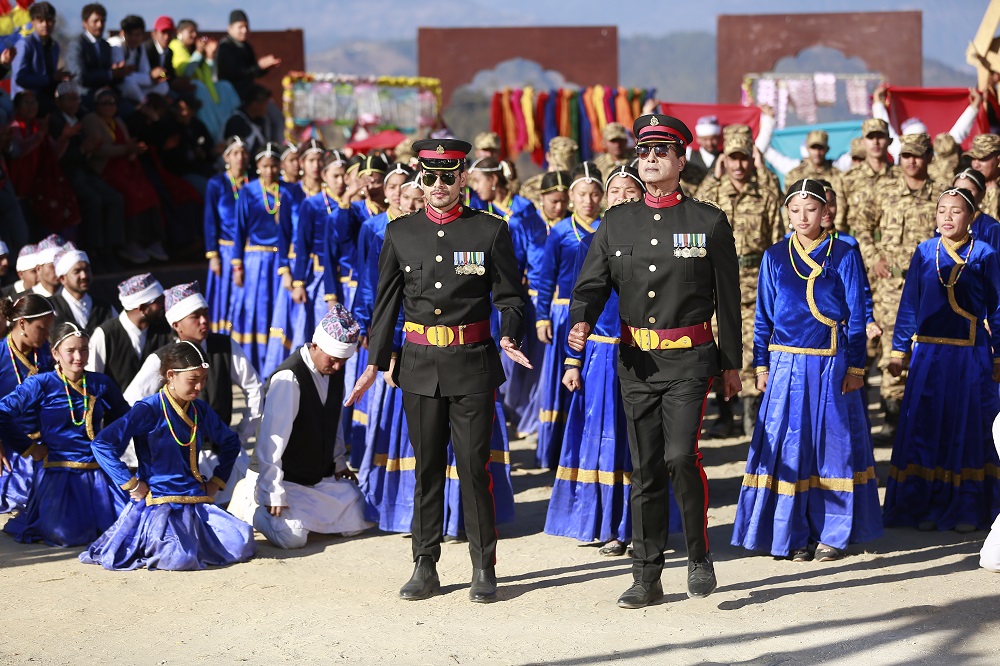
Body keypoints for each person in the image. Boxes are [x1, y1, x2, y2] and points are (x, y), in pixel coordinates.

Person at [568, 113, 742, 609]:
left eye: (661, 151)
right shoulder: (617, 220)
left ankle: (697, 552)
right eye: (644, 151)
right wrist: (581, 319)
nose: (650, 158)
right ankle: (646, 574)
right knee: (644, 469)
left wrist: (731, 365)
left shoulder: (708, 221)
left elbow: (728, 301)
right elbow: (591, 285)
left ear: (681, 160)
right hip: (636, 363)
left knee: (679, 458)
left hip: (689, 361)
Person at [347, 138, 529, 603]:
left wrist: (509, 333)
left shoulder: (489, 231)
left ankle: (483, 568)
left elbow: (511, 296)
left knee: (473, 468)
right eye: (430, 176)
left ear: (463, 178)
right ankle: (424, 565)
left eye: (449, 176)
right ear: (420, 179)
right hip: (420, 367)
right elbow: (385, 303)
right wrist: (374, 362)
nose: (439, 185)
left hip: (472, 365)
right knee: (426, 469)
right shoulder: (400, 232)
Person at [732, 179, 882, 562]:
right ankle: (791, 533)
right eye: (795, 210)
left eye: (811, 209)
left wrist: (856, 367)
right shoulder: (774, 255)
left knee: (831, 447)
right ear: (786, 213)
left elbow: (857, 317)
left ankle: (831, 532)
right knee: (788, 448)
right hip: (784, 365)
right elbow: (763, 315)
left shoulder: (844, 253)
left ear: (825, 212)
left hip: (831, 363)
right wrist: (760, 365)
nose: (803, 217)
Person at [545, 164, 680, 557]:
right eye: (615, 192)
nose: (621, 198)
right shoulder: (598, 240)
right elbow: (582, 303)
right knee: (606, 439)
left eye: (629, 191)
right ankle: (607, 525)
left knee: (646, 442)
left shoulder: (664, 237)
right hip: (604, 353)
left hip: (651, 354)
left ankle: (643, 526)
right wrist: (573, 360)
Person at [882, 188, 1000, 533]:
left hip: (970, 356)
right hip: (929, 357)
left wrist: (998, 356)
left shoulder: (985, 254)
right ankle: (925, 505)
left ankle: (965, 507)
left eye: (956, 212)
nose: (947, 218)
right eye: (942, 211)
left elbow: (997, 308)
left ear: (972, 217)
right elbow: (909, 306)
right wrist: (898, 352)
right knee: (926, 428)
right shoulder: (923, 252)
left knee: (965, 429)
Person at [81, 341, 257, 571]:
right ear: (171, 375)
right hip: (159, 505)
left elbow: (230, 442)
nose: (200, 386)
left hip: (196, 501)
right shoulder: (149, 409)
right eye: (193, 380)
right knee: (179, 557)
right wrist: (131, 484)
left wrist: (217, 481)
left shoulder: (199, 410)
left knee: (242, 541)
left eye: (203, 379)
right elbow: (102, 444)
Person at [229, 306, 371, 548]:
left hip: (314, 479)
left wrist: (338, 462)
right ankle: (250, 502)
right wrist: (271, 491)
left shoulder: (334, 372)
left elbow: (333, 423)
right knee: (292, 538)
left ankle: (297, 515)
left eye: (343, 361)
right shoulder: (289, 378)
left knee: (361, 512)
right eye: (333, 359)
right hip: (282, 479)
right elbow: (270, 443)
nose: (337, 367)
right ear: (315, 345)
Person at [123, 282, 262, 504]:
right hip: (178, 464)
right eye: (195, 316)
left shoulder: (224, 346)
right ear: (177, 324)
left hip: (224, 457)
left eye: (205, 314)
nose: (204, 321)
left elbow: (254, 388)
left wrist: (242, 434)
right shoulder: (162, 358)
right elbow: (131, 403)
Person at [0, 321, 130, 546]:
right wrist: (29, 448)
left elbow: (126, 418)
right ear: (55, 353)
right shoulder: (42, 383)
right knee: (65, 535)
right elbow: (2, 412)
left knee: (124, 530)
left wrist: (111, 448)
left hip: (100, 474)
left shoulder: (100, 383)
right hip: (59, 474)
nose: (78, 357)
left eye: (84, 349)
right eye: (70, 351)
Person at [696, 127, 782, 437]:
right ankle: (724, 415)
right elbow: (693, 209)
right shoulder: (712, 197)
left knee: (750, 347)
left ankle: (751, 414)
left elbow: (777, 246)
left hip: (754, 284)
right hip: (717, 285)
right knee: (717, 348)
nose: (739, 165)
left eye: (744, 158)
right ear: (724, 160)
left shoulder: (767, 197)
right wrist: (713, 174)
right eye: (733, 158)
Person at [863, 132, 946, 444]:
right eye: (906, 155)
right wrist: (874, 259)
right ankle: (892, 420)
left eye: (918, 155)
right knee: (891, 351)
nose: (911, 161)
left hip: (931, 286)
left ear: (928, 158)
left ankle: (924, 419)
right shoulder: (885, 189)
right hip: (892, 286)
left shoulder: (941, 193)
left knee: (926, 347)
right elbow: (862, 225)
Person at [535, 162, 604, 470]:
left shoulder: (609, 229)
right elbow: (545, 278)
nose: (588, 200)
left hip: (601, 318)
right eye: (582, 194)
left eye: (594, 194)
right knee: (564, 379)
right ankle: (556, 451)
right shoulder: (561, 231)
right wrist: (542, 317)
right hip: (564, 314)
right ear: (572, 197)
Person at [264, 139, 327, 375]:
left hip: (321, 267)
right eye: (311, 160)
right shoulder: (291, 193)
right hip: (295, 263)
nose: (316, 165)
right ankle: (286, 372)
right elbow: (283, 235)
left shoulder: (328, 194)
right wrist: (285, 271)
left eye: (320, 160)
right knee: (291, 321)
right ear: (301, 163)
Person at [82, 87, 166, 265]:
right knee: (131, 195)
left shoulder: (118, 121)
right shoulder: (91, 120)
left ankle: (151, 240)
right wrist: (126, 149)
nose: (109, 107)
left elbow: (128, 144)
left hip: (125, 166)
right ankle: (130, 243)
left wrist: (134, 150)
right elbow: (98, 151)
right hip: (105, 169)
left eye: (112, 103)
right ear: (96, 105)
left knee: (149, 192)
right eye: (104, 103)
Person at [48, 81, 127, 267]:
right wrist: (83, 150)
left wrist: (88, 150)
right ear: (58, 102)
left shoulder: (82, 117)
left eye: (76, 98)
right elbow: (57, 158)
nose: (74, 103)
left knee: (115, 198)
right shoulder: (55, 121)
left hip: (85, 170)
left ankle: (112, 249)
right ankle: (93, 251)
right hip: (64, 174)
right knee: (93, 200)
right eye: (69, 99)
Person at [230, 143, 290, 369]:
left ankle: (275, 360)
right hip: (255, 259)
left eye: (274, 166)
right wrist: (237, 265)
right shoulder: (249, 191)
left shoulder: (287, 191)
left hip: (280, 260)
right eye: (265, 166)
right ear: (257, 167)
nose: (270, 171)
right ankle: (252, 361)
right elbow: (239, 229)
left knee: (277, 307)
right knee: (256, 308)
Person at [0, 295, 55, 514]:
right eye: (41, 328)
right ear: (22, 323)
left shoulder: (46, 353)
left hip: (46, 441)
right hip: (10, 446)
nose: (46, 335)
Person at [7, 91, 80, 234]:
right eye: (27, 103)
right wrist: (40, 135)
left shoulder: (38, 125)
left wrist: (64, 138)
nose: (32, 106)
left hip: (38, 184)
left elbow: (53, 154)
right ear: (17, 107)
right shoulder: (13, 126)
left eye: (34, 102)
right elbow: (18, 151)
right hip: (19, 188)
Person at [87, 273, 172, 390]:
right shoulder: (105, 334)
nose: (164, 305)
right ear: (142, 308)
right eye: (159, 301)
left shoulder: (165, 331)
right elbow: (92, 381)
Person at [168, 19, 241, 142]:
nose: (194, 35)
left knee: (225, 86)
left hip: (210, 95)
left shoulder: (192, 50)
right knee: (198, 87)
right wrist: (198, 53)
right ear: (179, 32)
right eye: (190, 31)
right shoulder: (175, 47)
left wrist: (210, 57)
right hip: (192, 94)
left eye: (195, 31)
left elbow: (211, 77)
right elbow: (186, 72)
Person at [204, 136, 248, 333]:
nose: (240, 157)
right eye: (235, 153)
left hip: (248, 251)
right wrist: (213, 255)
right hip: (226, 250)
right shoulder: (217, 184)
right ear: (226, 157)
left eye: (243, 153)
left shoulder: (254, 183)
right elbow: (210, 220)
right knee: (225, 298)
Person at [64, 3, 132, 109]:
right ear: (84, 23)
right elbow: (80, 77)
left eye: (103, 21)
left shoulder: (105, 45)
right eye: (95, 21)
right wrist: (110, 74)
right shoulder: (77, 45)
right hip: (84, 98)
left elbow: (110, 75)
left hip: (106, 95)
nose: (100, 25)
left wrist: (121, 73)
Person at [10, 2, 65, 115]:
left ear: (54, 22)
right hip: (27, 99)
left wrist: (60, 78)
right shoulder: (25, 44)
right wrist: (50, 78)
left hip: (47, 97)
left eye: (49, 20)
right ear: (33, 22)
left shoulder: (54, 46)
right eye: (40, 21)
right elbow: (20, 78)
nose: (45, 25)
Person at [216, 10, 281, 102]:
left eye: (246, 26)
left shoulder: (246, 46)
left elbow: (253, 71)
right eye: (240, 27)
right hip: (231, 93)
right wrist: (259, 66)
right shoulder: (225, 47)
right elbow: (235, 74)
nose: (244, 30)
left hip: (247, 90)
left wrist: (265, 68)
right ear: (230, 28)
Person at [49, 246, 116, 335]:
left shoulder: (105, 308)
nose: (84, 275)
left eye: (87, 270)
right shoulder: (50, 307)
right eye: (77, 271)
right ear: (62, 279)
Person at [108, 15, 170, 108]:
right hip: (120, 84)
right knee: (129, 82)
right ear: (123, 33)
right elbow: (122, 74)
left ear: (142, 35)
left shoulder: (140, 48)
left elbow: (145, 71)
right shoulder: (116, 44)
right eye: (130, 35)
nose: (133, 39)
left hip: (138, 84)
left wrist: (153, 77)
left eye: (137, 35)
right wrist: (150, 77)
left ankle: (143, 100)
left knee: (163, 86)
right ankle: (144, 104)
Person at [520, 136, 579, 207]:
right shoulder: (531, 188)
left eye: (566, 170)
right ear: (547, 156)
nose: (560, 173)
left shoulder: (579, 188)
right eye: (558, 166)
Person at [951, 168, 1000, 252]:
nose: (961, 195)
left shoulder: (990, 227)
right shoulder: (945, 222)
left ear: (981, 194)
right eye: (956, 190)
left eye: (968, 191)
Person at [222, 84, 271, 164]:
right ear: (254, 104)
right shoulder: (236, 121)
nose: (266, 108)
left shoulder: (262, 121)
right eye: (264, 104)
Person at [682, 115, 722, 188]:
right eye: (705, 139)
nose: (709, 143)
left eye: (713, 139)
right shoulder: (688, 155)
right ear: (698, 139)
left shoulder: (725, 157)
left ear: (719, 138)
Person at [966, 134, 1000, 220]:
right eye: (973, 158)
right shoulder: (966, 184)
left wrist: (993, 194)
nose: (976, 165)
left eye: (982, 158)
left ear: (998, 159)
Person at [30, 234, 64, 299]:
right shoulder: (23, 299)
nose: (58, 271)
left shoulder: (73, 299)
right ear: (39, 269)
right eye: (53, 267)